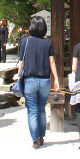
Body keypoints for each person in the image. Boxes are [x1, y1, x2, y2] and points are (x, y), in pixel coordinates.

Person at [17, 15, 60, 149]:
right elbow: (51, 61)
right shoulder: (47, 43)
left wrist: (18, 76)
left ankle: (35, 139)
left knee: (32, 111)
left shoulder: (25, 42)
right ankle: (41, 136)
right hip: (45, 81)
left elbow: (21, 62)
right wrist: (56, 79)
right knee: (41, 109)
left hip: (30, 80)